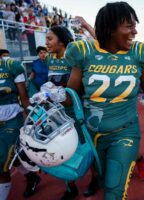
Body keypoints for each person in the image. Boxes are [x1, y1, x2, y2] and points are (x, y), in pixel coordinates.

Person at [64, 2, 144, 199]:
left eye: (135, 25)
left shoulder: (138, 52)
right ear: (110, 28)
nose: (135, 31)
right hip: (92, 132)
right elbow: (71, 95)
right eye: (129, 26)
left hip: (126, 130)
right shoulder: (84, 51)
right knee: (103, 178)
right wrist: (49, 99)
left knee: (114, 190)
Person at [45, 25, 80, 200]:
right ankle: (70, 186)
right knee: (63, 151)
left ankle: (96, 178)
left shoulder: (73, 59)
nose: (46, 43)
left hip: (76, 112)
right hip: (57, 113)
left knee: (85, 147)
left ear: (61, 40)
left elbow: (76, 92)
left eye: (50, 39)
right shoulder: (50, 59)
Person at [0, 49, 31, 199]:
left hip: (11, 118)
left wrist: (35, 117)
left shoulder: (12, 66)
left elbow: (24, 99)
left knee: (2, 164)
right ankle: (32, 177)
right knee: (14, 157)